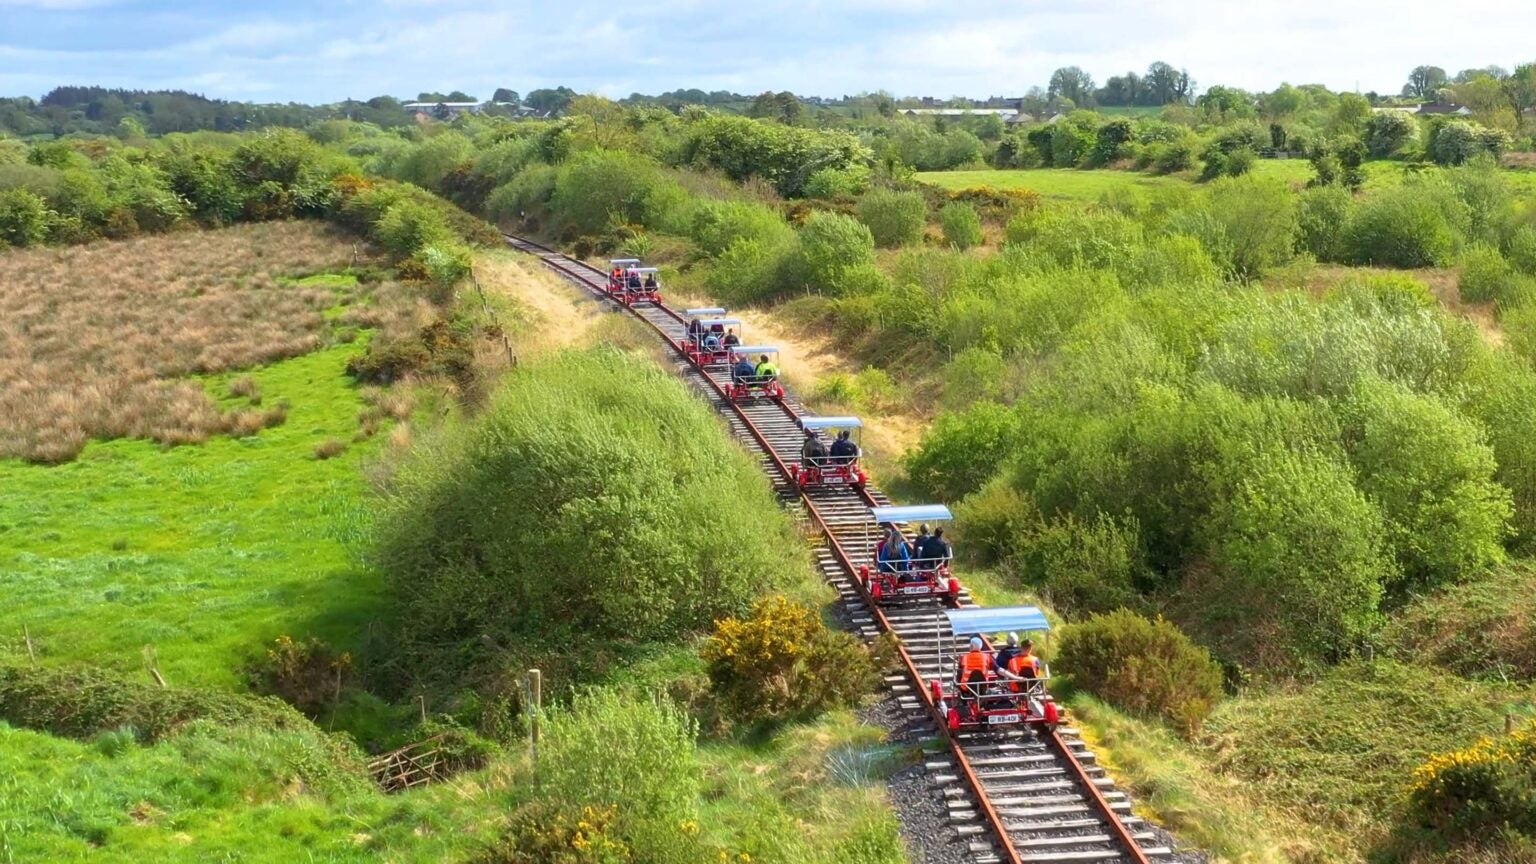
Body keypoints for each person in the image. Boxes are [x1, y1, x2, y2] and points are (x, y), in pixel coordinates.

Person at [956, 636, 993, 710]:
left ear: (971, 646)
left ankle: (964, 703)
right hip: (982, 687)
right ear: (981, 647)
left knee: (959, 674)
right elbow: (995, 668)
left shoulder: (965, 657)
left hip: (967, 687)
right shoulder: (987, 657)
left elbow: (960, 667)